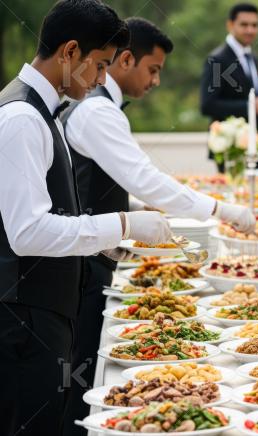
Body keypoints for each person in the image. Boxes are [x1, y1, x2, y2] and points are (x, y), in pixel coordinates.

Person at [60, 18, 256, 435]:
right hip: (84, 260)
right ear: (125, 59)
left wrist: (133, 206)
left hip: (99, 250)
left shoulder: (100, 107)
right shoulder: (96, 109)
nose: (156, 81)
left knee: (86, 370)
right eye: (153, 69)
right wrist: (224, 210)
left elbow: (103, 182)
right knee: (81, 372)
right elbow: (146, 177)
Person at [0, 1, 171, 434]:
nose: (100, 79)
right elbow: (27, 233)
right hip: (24, 316)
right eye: (99, 66)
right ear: (70, 52)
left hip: (45, 307)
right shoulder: (21, 117)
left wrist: (110, 234)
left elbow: (54, 210)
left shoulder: (44, 108)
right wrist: (125, 224)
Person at [200, 2, 258, 172]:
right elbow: (208, 105)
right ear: (230, 25)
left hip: (256, 147)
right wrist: (250, 106)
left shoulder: (255, 58)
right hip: (229, 150)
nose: (250, 30)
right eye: (244, 25)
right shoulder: (217, 60)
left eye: (254, 25)